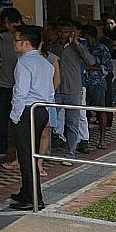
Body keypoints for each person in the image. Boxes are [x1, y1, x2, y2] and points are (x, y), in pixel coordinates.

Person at [8, 25, 56, 211]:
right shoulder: (46, 63)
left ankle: (34, 198)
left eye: (17, 40)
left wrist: (15, 115)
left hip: (27, 110)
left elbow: (20, 92)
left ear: (26, 43)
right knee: (31, 152)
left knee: (26, 156)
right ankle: (26, 191)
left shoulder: (24, 63)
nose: (14, 43)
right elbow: (50, 92)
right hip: (41, 109)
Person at [49, 20, 95, 163]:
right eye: (61, 31)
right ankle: (46, 153)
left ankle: (70, 153)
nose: (63, 34)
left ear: (72, 33)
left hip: (73, 90)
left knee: (72, 123)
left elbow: (91, 61)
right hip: (55, 90)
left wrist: (76, 43)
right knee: (49, 122)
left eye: (66, 31)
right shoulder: (52, 47)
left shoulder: (79, 47)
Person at [0, 8, 23, 159]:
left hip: (20, 85)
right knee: (1, 118)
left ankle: (20, 150)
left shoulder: (26, 36)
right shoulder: (2, 38)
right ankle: (0, 146)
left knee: (20, 119)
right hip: (5, 83)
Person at [80, 24, 113, 149]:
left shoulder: (101, 48)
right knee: (84, 113)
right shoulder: (82, 48)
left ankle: (102, 139)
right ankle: (84, 139)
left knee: (100, 110)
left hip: (97, 82)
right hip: (83, 83)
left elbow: (108, 67)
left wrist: (90, 67)